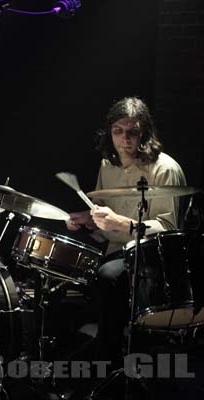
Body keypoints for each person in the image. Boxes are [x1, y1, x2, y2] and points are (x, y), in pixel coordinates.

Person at [66, 97, 186, 363]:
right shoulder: (107, 166)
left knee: (109, 276)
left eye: (132, 131)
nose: (125, 138)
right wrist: (86, 219)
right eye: (118, 131)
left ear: (145, 132)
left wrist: (120, 223)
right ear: (109, 132)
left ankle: (112, 360)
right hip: (114, 251)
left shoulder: (164, 169)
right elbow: (102, 217)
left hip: (152, 258)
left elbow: (168, 230)